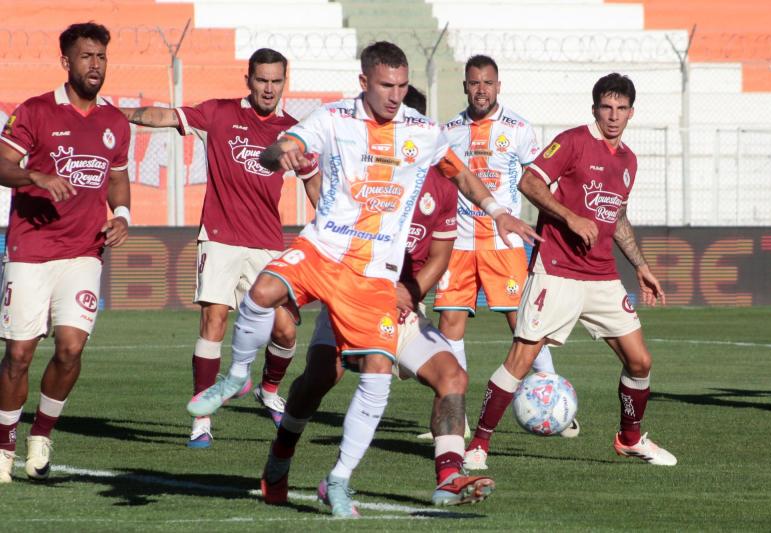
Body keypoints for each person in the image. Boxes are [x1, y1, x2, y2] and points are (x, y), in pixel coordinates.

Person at [189, 41, 537, 517]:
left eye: (401, 87)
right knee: (299, 353)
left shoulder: (427, 148)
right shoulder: (335, 119)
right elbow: (284, 146)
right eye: (386, 87)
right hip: (329, 256)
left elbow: (451, 209)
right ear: (365, 84)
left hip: (378, 284)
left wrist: (496, 213)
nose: (395, 97)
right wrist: (282, 155)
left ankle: (408, 476)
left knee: (419, 372)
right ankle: (254, 411)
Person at [261, 85, 495, 509]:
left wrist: (410, 289)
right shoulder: (361, 167)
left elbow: (440, 256)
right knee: (319, 378)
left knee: (453, 377)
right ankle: (280, 458)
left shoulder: (442, 188)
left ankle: (448, 476)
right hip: (348, 287)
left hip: (399, 305)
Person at [463, 73, 677, 471]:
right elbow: (529, 181)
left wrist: (641, 266)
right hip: (556, 271)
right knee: (521, 359)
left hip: (602, 276)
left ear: (631, 112)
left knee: (640, 362)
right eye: (606, 107)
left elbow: (618, 216)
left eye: (621, 109)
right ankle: (478, 444)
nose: (613, 116)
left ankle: (629, 440)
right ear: (594, 108)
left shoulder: (628, 160)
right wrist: (569, 216)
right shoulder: (574, 141)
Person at [122, 49, 310, 447]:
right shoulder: (220, 114)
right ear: (248, 79)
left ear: (284, 82)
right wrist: (119, 115)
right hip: (221, 238)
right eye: (262, 80)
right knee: (214, 321)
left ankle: (269, 390)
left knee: (286, 329)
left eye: (276, 81)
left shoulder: (292, 131)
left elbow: (313, 180)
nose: (269, 88)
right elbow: (166, 116)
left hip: (268, 243)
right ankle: (201, 419)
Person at [0, 22, 131, 483]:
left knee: (70, 349)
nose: (95, 65)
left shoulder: (114, 121)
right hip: (31, 249)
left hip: (84, 252)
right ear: (66, 62)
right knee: (18, 354)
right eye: (86, 57)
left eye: (101, 57)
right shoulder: (35, 111)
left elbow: (116, 177)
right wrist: (35, 177)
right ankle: (3, 444)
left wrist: (123, 215)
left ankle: (42, 434)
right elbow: (1, 162)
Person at [430, 55, 578, 439]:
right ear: (465, 86)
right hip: (458, 245)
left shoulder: (518, 129)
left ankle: (556, 401)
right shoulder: (447, 132)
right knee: (450, 323)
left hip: (504, 242)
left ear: (499, 86)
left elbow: (539, 183)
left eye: (488, 83)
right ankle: (456, 418)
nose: (481, 89)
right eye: (474, 82)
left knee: (525, 324)